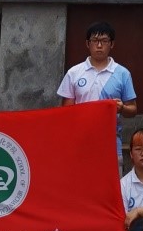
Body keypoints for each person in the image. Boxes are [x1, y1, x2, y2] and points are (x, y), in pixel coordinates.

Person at [58, 20, 137, 165]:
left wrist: (122, 108)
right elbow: (66, 112)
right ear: (87, 44)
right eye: (95, 40)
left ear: (112, 44)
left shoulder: (122, 73)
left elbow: (132, 109)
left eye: (104, 41)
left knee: (109, 186)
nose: (99, 45)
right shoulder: (74, 73)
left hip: (111, 143)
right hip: (80, 142)